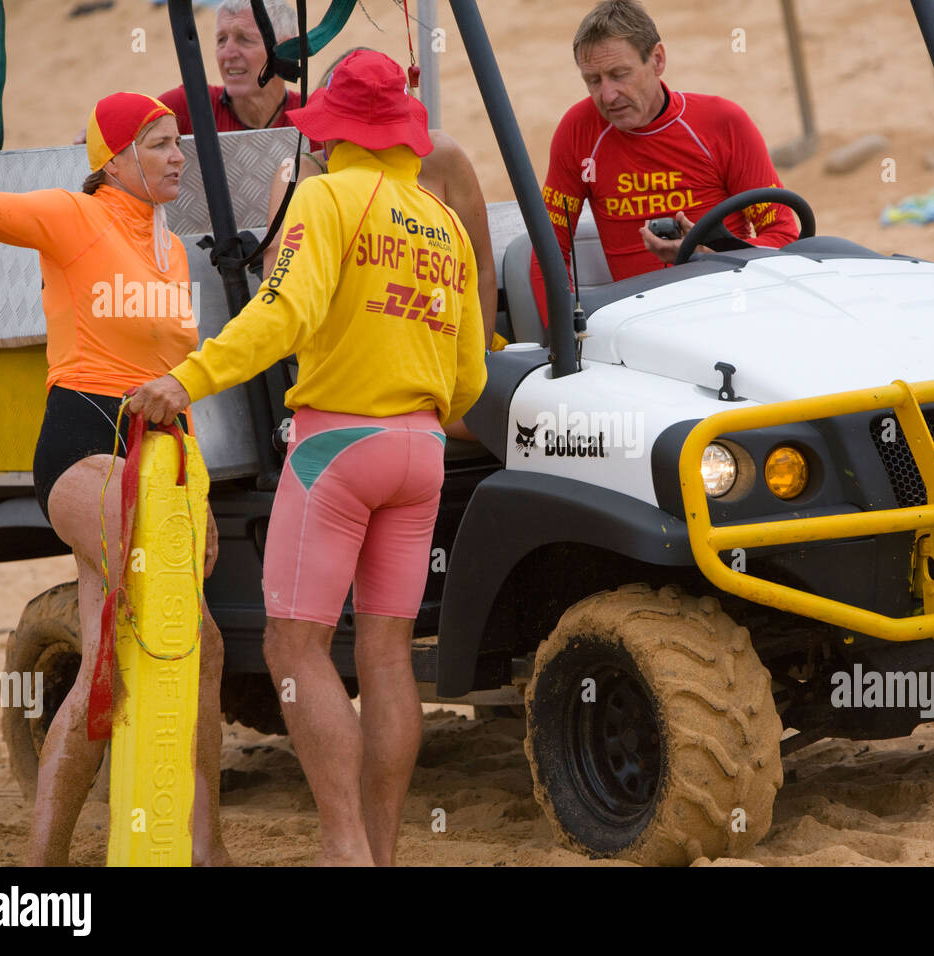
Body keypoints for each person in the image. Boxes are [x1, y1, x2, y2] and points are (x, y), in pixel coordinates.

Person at [128, 51, 488, 866]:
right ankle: (382, 853)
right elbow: (469, 376)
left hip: (338, 445)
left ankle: (344, 848)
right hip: (424, 451)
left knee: (295, 648)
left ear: (335, 134)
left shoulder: (323, 197)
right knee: (387, 653)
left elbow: (279, 315)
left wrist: (189, 379)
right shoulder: (443, 221)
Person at [0, 93, 230, 866]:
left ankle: (190, 847)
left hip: (162, 452)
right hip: (81, 442)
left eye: (179, 144)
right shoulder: (73, 216)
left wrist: (191, 497)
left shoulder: (172, 246)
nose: (178, 158)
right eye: (161, 145)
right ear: (114, 157)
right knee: (153, 628)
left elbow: (172, 376)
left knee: (166, 650)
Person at [531, 0, 799, 324]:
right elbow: (548, 252)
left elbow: (783, 236)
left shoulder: (722, 124)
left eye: (619, 74)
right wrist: (564, 343)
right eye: (593, 80)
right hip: (635, 332)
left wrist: (707, 255)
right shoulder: (579, 131)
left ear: (657, 59)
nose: (608, 95)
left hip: (731, 314)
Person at [262, 48, 499, 351]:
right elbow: (275, 293)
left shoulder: (443, 157)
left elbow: (481, 270)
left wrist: (479, 364)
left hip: (440, 365)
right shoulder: (302, 174)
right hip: (341, 365)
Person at [158, 0, 302, 134]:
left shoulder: (312, 116)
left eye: (245, 39)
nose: (227, 53)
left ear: (287, 50)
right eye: (222, 39)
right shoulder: (185, 108)